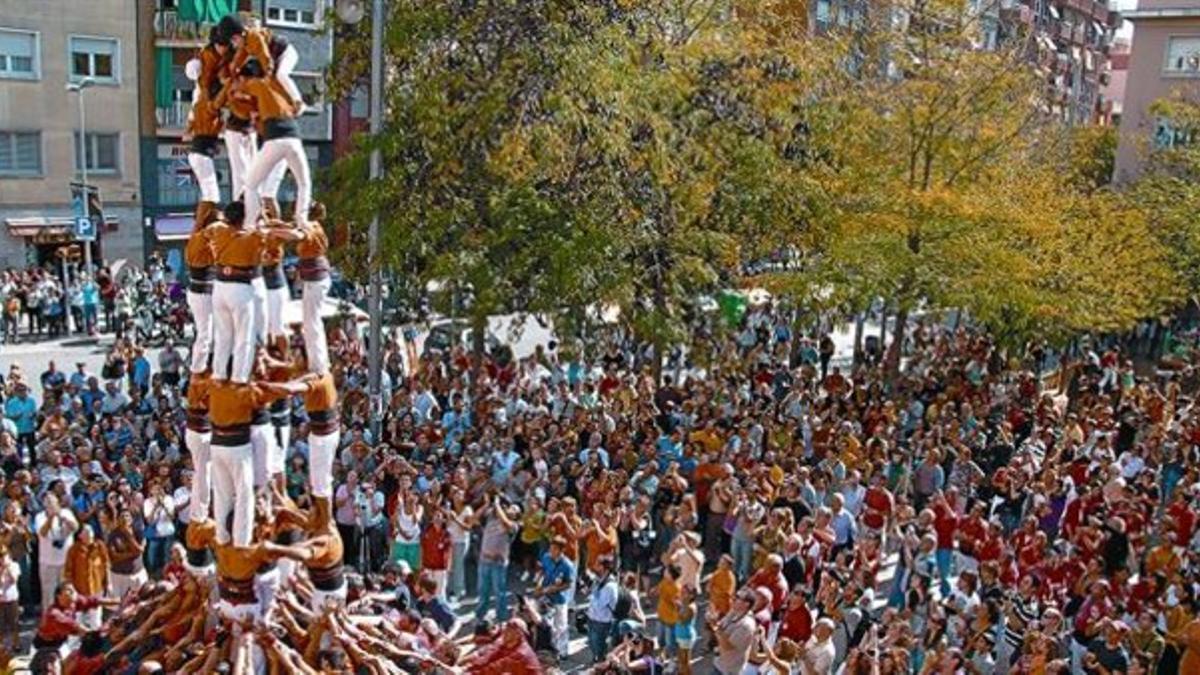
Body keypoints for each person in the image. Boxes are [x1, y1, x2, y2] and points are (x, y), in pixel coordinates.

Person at [34, 493, 78, 611]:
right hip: (48, 562)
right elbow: (42, 533)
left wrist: (61, 517)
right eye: (47, 502)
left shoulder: (67, 513)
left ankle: (68, 617)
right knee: (49, 593)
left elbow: (76, 527)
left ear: (58, 502)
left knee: (67, 591)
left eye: (52, 501)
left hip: (66, 561)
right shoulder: (40, 516)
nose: (50, 504)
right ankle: (49, 620)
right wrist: (50, 518)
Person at [534, 536, 576, 659]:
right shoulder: (546, 557)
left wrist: (555, 589)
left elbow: (569, 584)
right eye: (550, 548)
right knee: (546, 624)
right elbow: (542, 570)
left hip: (560, 599)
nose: (551, 551)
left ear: (561, 550)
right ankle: (548, 649)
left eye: (554, 549)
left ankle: (563, 652)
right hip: (546, 596)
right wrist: (538, 583)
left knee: (561, 625)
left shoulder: (568, 565)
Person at [60, 525, 107, 630]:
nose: (89, 533)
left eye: (90, 531)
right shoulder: (73, 550)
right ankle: (75, 644)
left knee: (95, 619)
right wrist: (70, 588)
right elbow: (68, 571)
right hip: (79, 590)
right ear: (80, 535)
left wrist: (108, 584)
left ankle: (96, 642)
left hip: (96, 588)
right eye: (86, 532)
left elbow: (106, 565)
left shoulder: (99, 546)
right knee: (78, 618)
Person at [587, 555, 620, 663]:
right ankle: (596, 659)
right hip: (593, 618)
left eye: (597, 564)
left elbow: (600, 604)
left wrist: (591, 597)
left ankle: (601, 664)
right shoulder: (598, 580)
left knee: (599, 645)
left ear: (603, 568)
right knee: (592, 643)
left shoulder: (610, 586)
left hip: (602, 621)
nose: (594, 566)